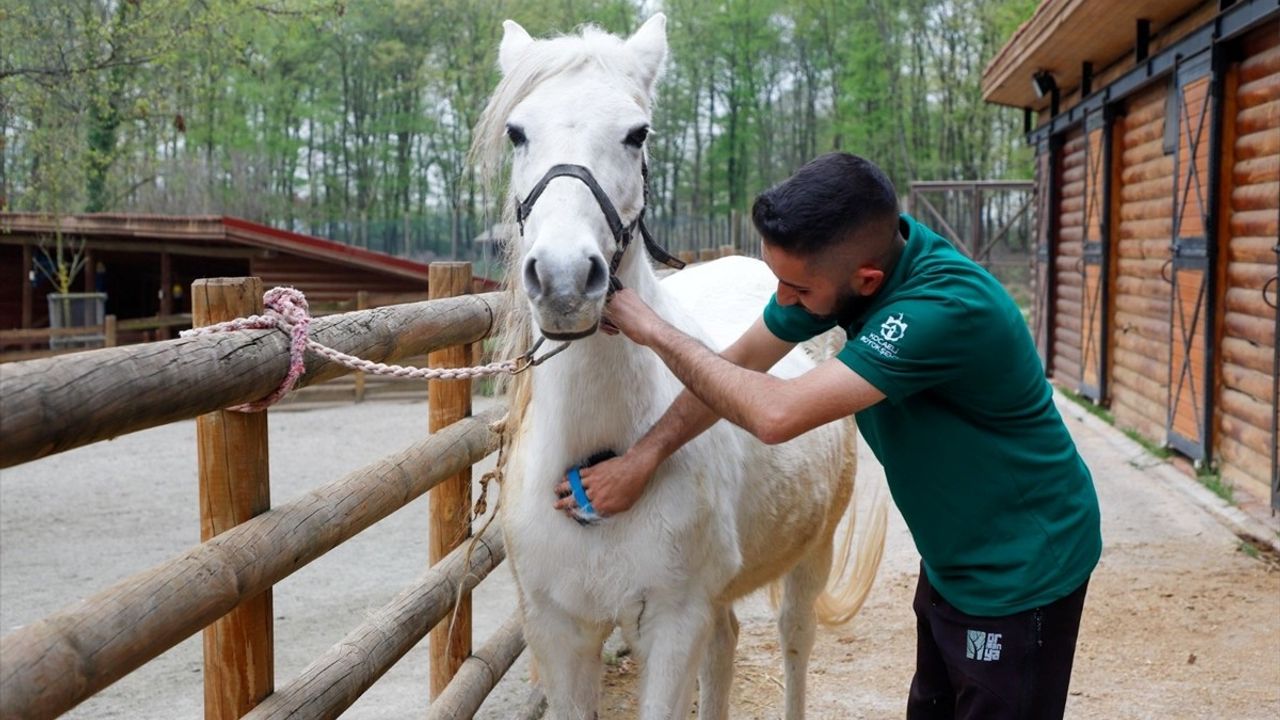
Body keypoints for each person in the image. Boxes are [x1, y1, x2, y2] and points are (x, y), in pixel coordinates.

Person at [552, 152, 1102, 718]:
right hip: (954, 561)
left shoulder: (941, 310)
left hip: (1021, 570)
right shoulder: (850, 270)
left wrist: (654, 330)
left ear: (866, 280)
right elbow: (736, 366)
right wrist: (642, 458)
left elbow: (775, 414)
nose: (784, 300)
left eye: (796, 288)